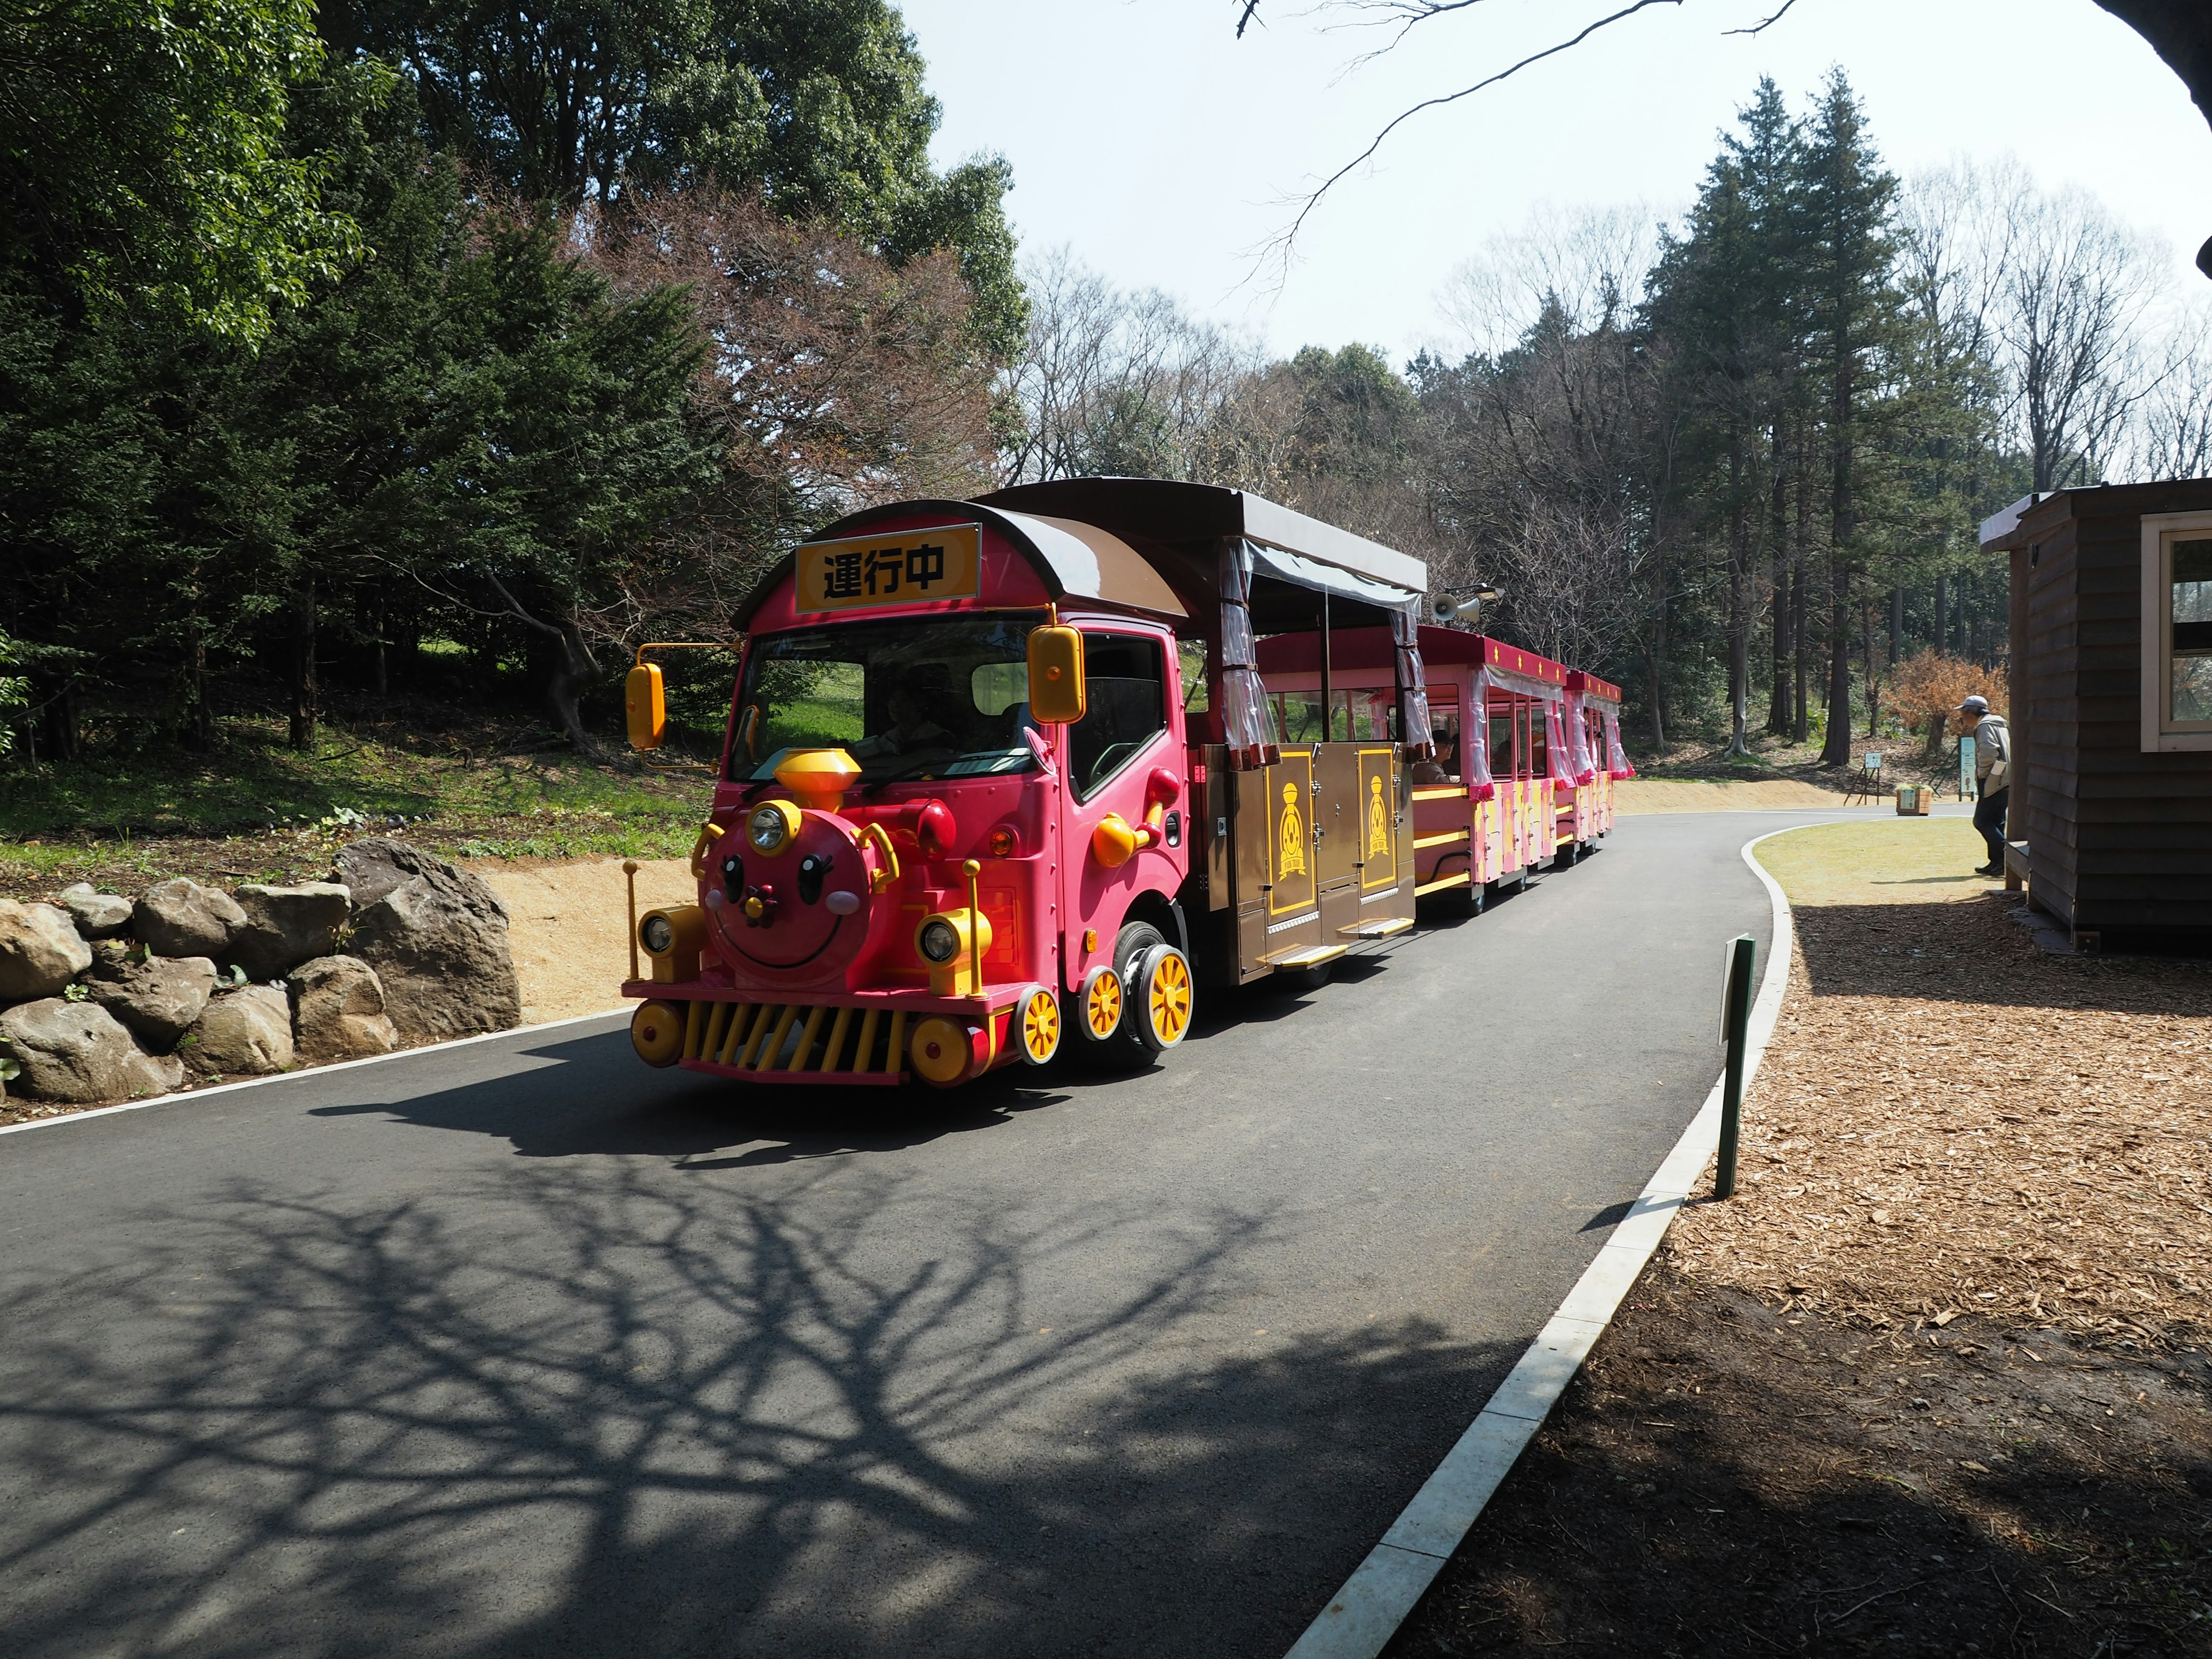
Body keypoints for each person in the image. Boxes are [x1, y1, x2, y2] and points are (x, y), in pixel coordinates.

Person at [1963, 694, 2011, 876]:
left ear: (1970, 711)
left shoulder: (1985, 726)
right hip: (2005, 778)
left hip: (1994, 780)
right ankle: (1997, 863)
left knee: (1982, 821)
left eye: (1963, 712)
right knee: (1996, 821)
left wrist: (1983, 774)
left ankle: (2006, 859)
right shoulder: (1999, 724)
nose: (1962, 716)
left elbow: (1989, 752)